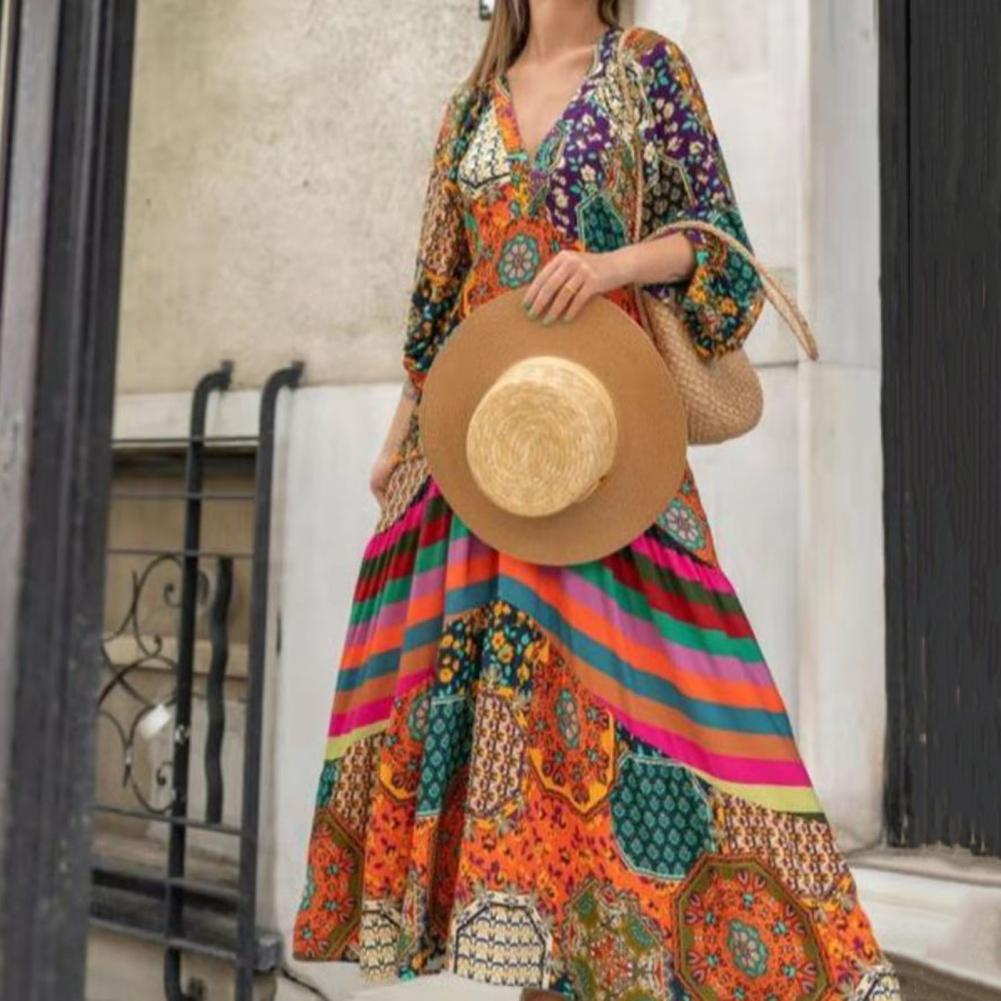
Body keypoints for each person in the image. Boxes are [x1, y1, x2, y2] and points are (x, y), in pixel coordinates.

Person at [293, 3, 903, 999]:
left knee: (662, 701)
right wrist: (400, 435)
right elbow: (436, 298)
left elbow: (716, 248)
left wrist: (612, 265)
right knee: (500, 729)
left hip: (607, 443)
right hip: (480, 450)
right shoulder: (467, 109)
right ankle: (527, 955)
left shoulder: (647, 68)